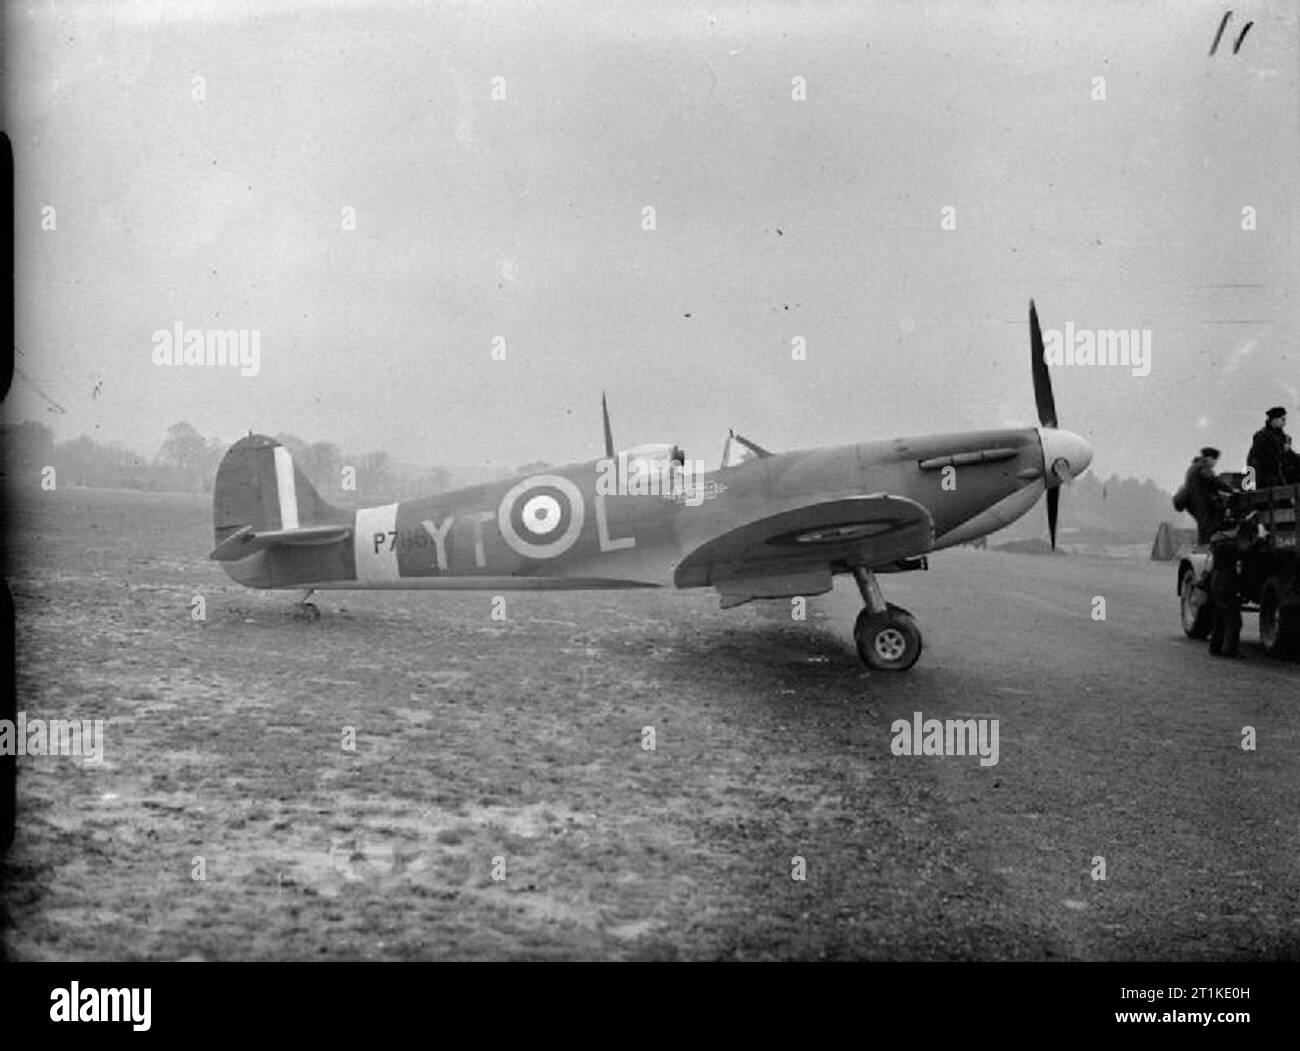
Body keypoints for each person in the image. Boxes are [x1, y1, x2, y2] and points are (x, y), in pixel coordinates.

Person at [1207, 516, 1258, 659]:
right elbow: (1244, 551)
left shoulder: (1218, 541)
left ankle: (1215, 647)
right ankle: (1230, 650)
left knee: (1220, 617)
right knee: (1233, 618)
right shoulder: (1228, 545)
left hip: (1217, 581)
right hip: (1225, 581)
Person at [1183, 447, 1235, 545]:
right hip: (1203, 503)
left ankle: (1204, 548)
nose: (1214, 464)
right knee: (1208, 528)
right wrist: (1229, 490)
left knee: (1204, 528)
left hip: (1194, 503)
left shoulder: (1194, 467)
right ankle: (1206, 550)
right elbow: (1212, 480)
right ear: (1210, 458)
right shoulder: (1204, 467)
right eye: (1215, 461)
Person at [1247, 406, 1300, 488]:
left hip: (1280, 476)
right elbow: (1257, 459)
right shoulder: (1262, 436)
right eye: (1282, 419)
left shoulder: (1283, 437)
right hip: (1267, 478)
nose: (1284, 423)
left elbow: (1289, 456)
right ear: (1274, 420)